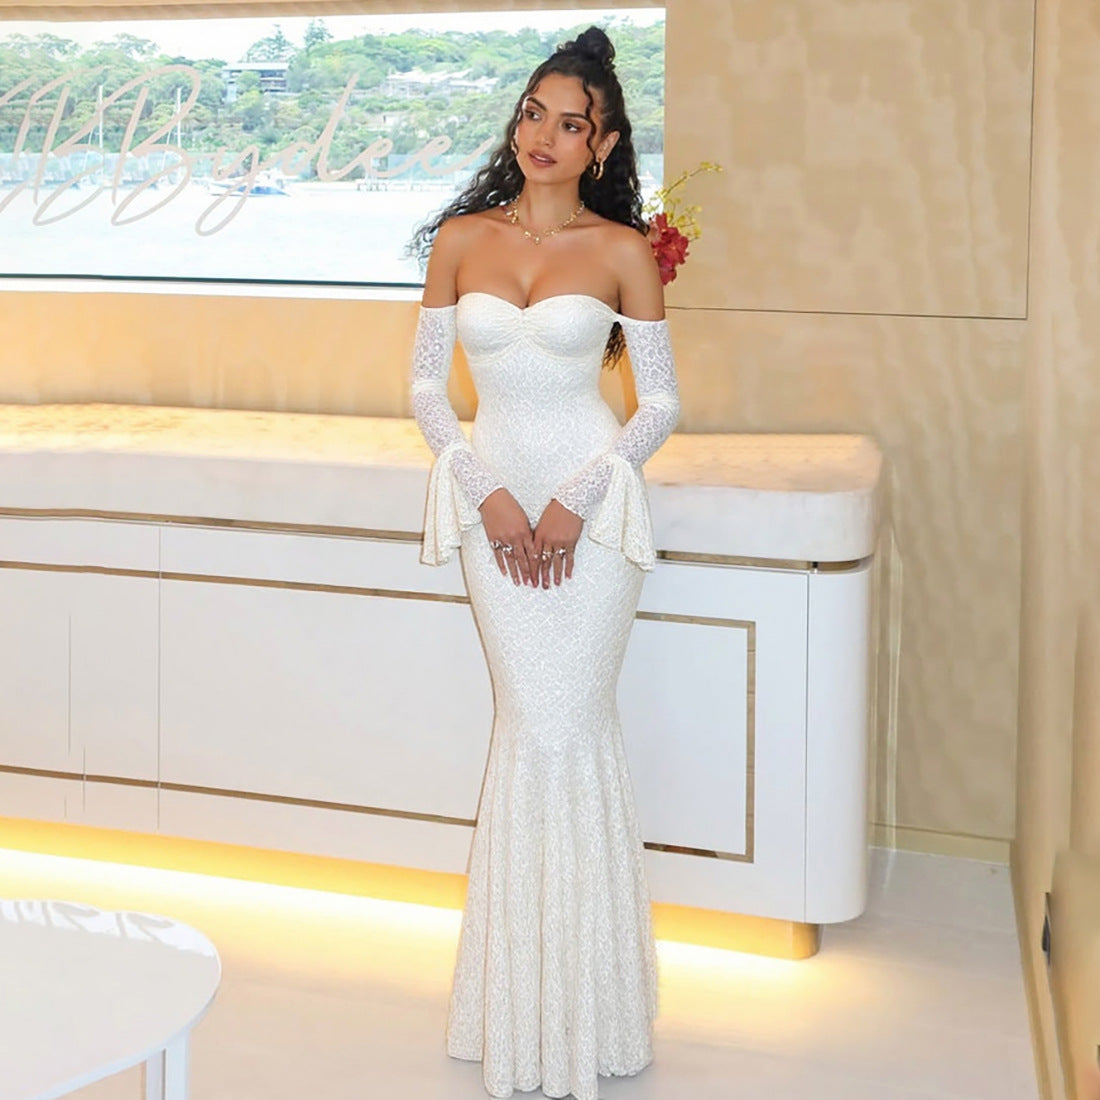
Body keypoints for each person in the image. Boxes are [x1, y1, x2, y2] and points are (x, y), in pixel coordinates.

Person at [409, 26, 680, 1100]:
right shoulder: (461, 238)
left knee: (570, 727)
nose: (544, 136)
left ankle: (590, 1011)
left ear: (602, 143)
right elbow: (426, 388)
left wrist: (577, 496)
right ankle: (515, 1013)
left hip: (590, 514)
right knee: (526, 728)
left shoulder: (621, 251)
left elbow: (659, 403)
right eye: (534, 112)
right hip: (492, 506)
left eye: (571, 124)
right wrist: (482, 487)